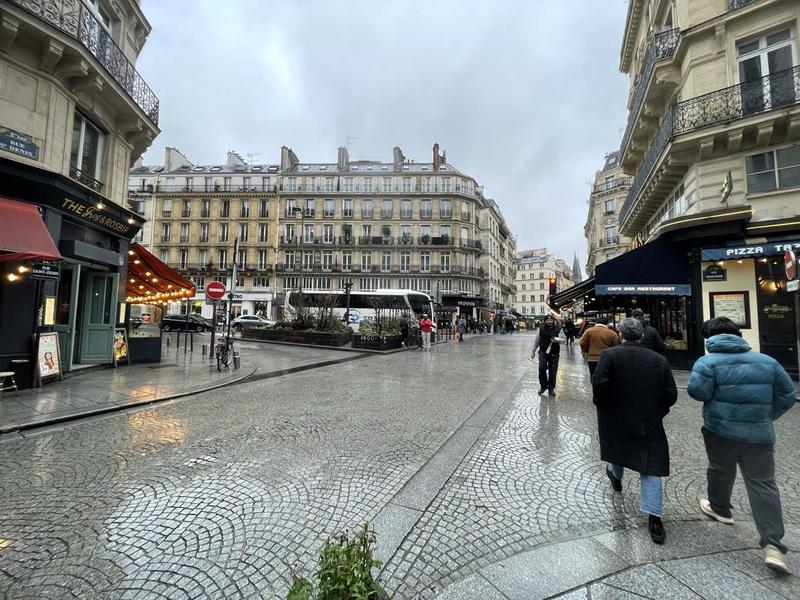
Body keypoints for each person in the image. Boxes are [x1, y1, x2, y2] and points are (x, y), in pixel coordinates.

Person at [687, 317, 796, 574]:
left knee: (719, 469)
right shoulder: (767, 362)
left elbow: (697, 392)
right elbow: (787, 395)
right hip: (759, 434)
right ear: (738, 334)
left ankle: (720, 508)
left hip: (719, 430)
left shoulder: (707, 362)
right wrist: (766, 416)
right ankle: (772, 544)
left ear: (708, 337)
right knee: (763, 484)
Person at [592, 318, 677, 544]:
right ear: (641, 336)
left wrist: (604, 405)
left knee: (618, 448)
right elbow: (671, 394)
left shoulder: (610, 356)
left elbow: (599, 384)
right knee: (650, 465)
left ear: (620, 334)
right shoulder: (659, 360)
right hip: (648, 417)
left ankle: (615, 476)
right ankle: (654, 519)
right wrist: (658, 410)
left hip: (616, 414)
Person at [532, 315, 561, 397]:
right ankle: (543, 386)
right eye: (548, 320)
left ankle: (551, 388)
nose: (549, 321)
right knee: (542, 368)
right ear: (545, 321)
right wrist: (533, 351)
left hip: (554, 353)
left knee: (553, 371)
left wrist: (557, 340)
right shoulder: (541, 329)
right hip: (543, 352)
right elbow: (537, 340)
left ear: (553, 321)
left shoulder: (558, 329)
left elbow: (563, 339)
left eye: (551, 320)